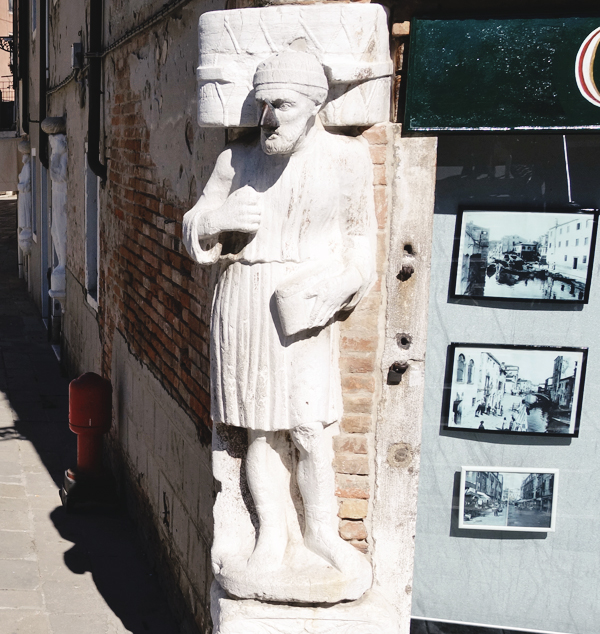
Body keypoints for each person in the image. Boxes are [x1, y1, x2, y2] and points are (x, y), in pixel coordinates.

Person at [183, 51, 375, 577]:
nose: (269, 117)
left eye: (283, 105)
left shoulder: (347, 160)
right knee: (261, 432)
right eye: (264, 104)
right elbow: (192, 225)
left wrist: (334, 290)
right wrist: (218, 219)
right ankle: (271, 534)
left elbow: (363, 247)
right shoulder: (236, 162)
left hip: (305, 304)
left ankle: (321, 531)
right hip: (245, 299)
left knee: (310, 429)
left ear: (315, 105)